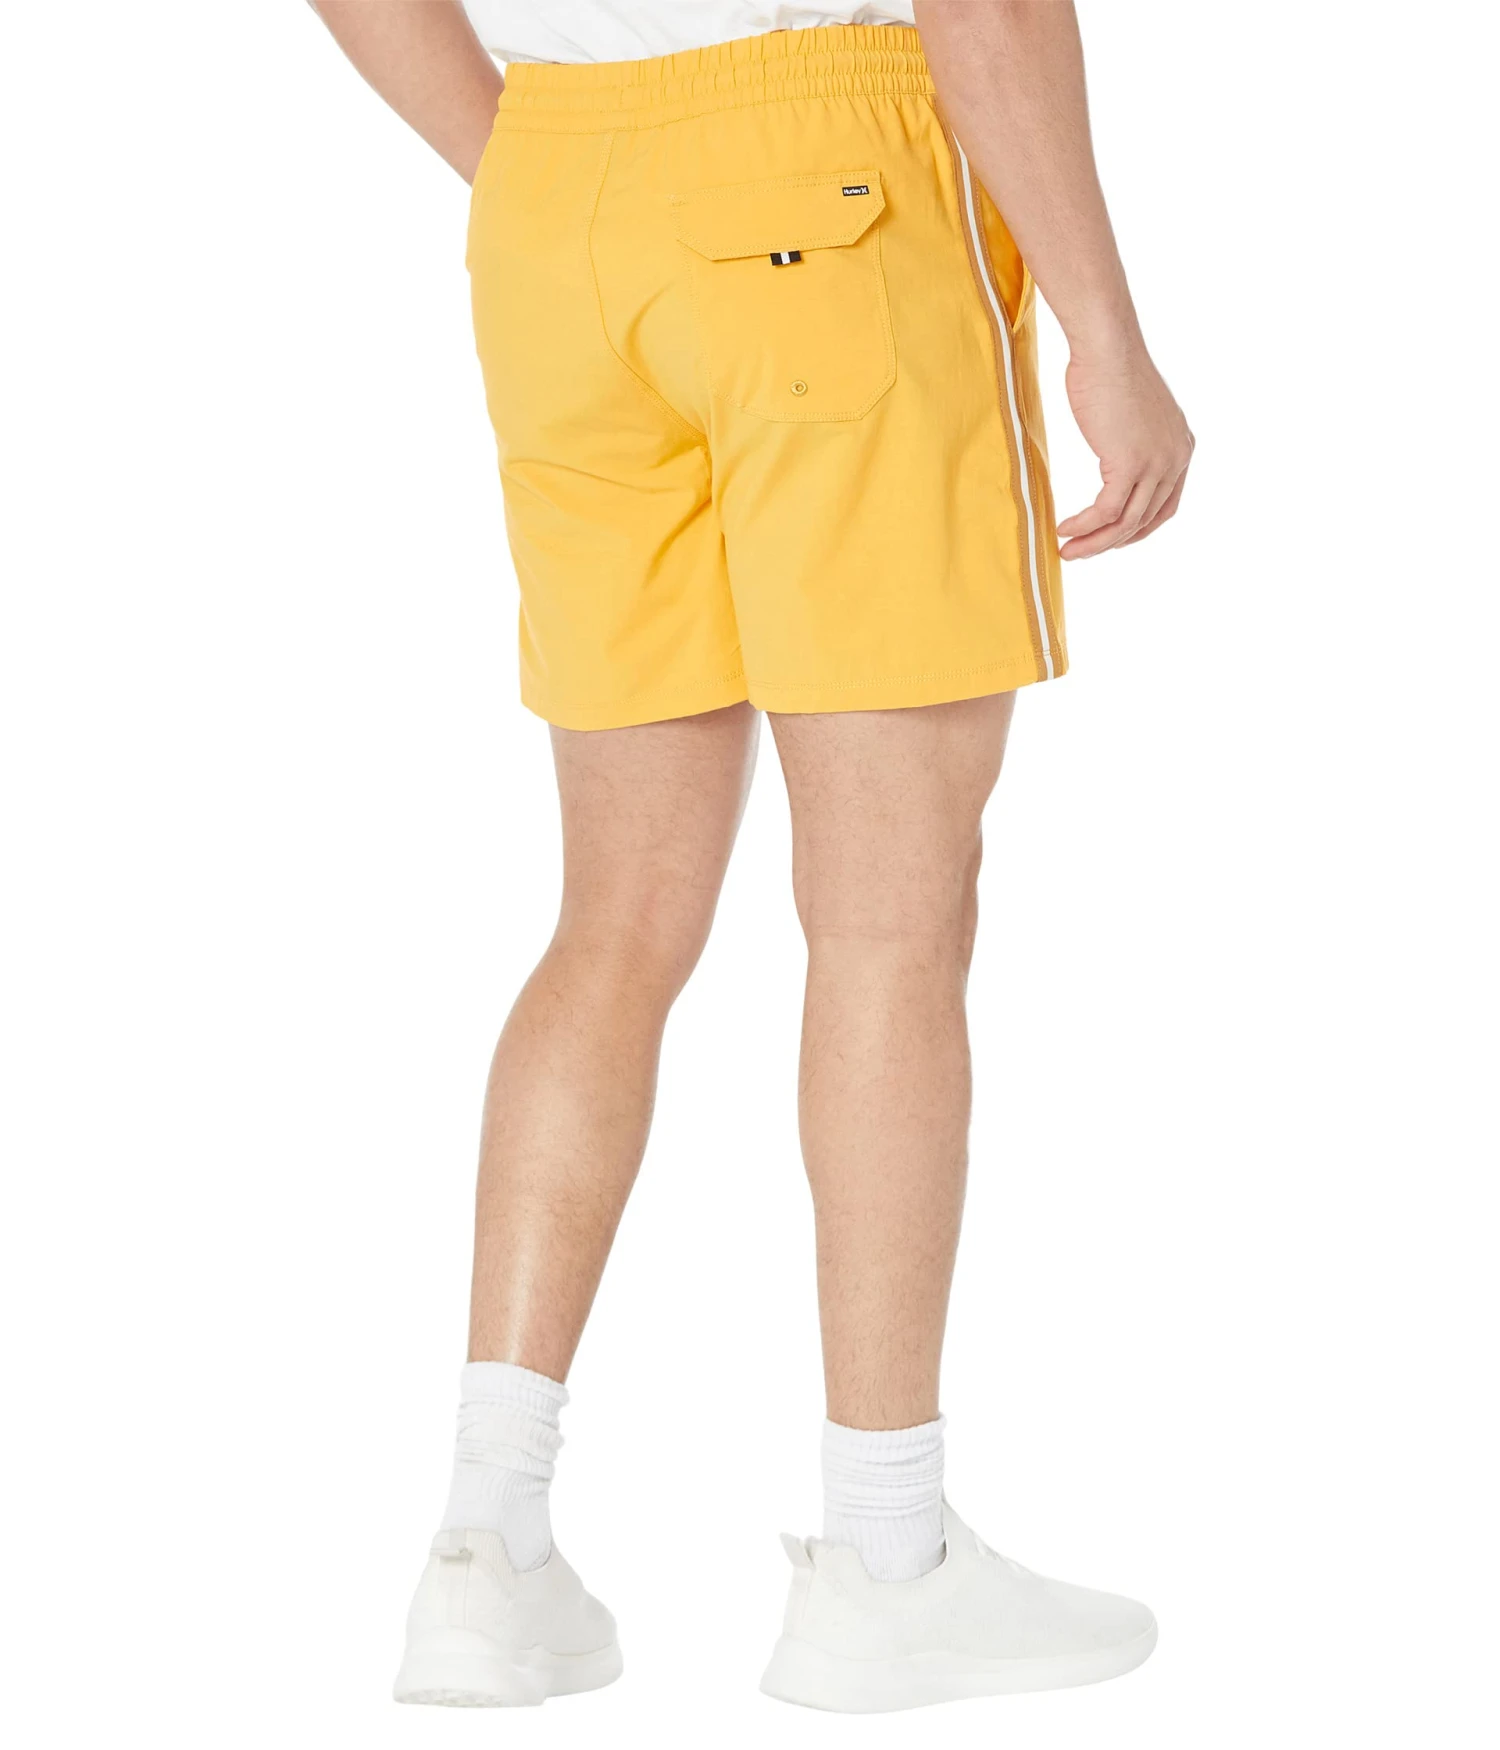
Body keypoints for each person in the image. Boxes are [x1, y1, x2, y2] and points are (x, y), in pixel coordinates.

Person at [312, 0, 1192, 1714]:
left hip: (561, 206)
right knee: (885, 921)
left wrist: (549, 164)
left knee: (615, 917)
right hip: (826, 185)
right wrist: (1107, 329)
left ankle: (485, 1553)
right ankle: (886, 1558)